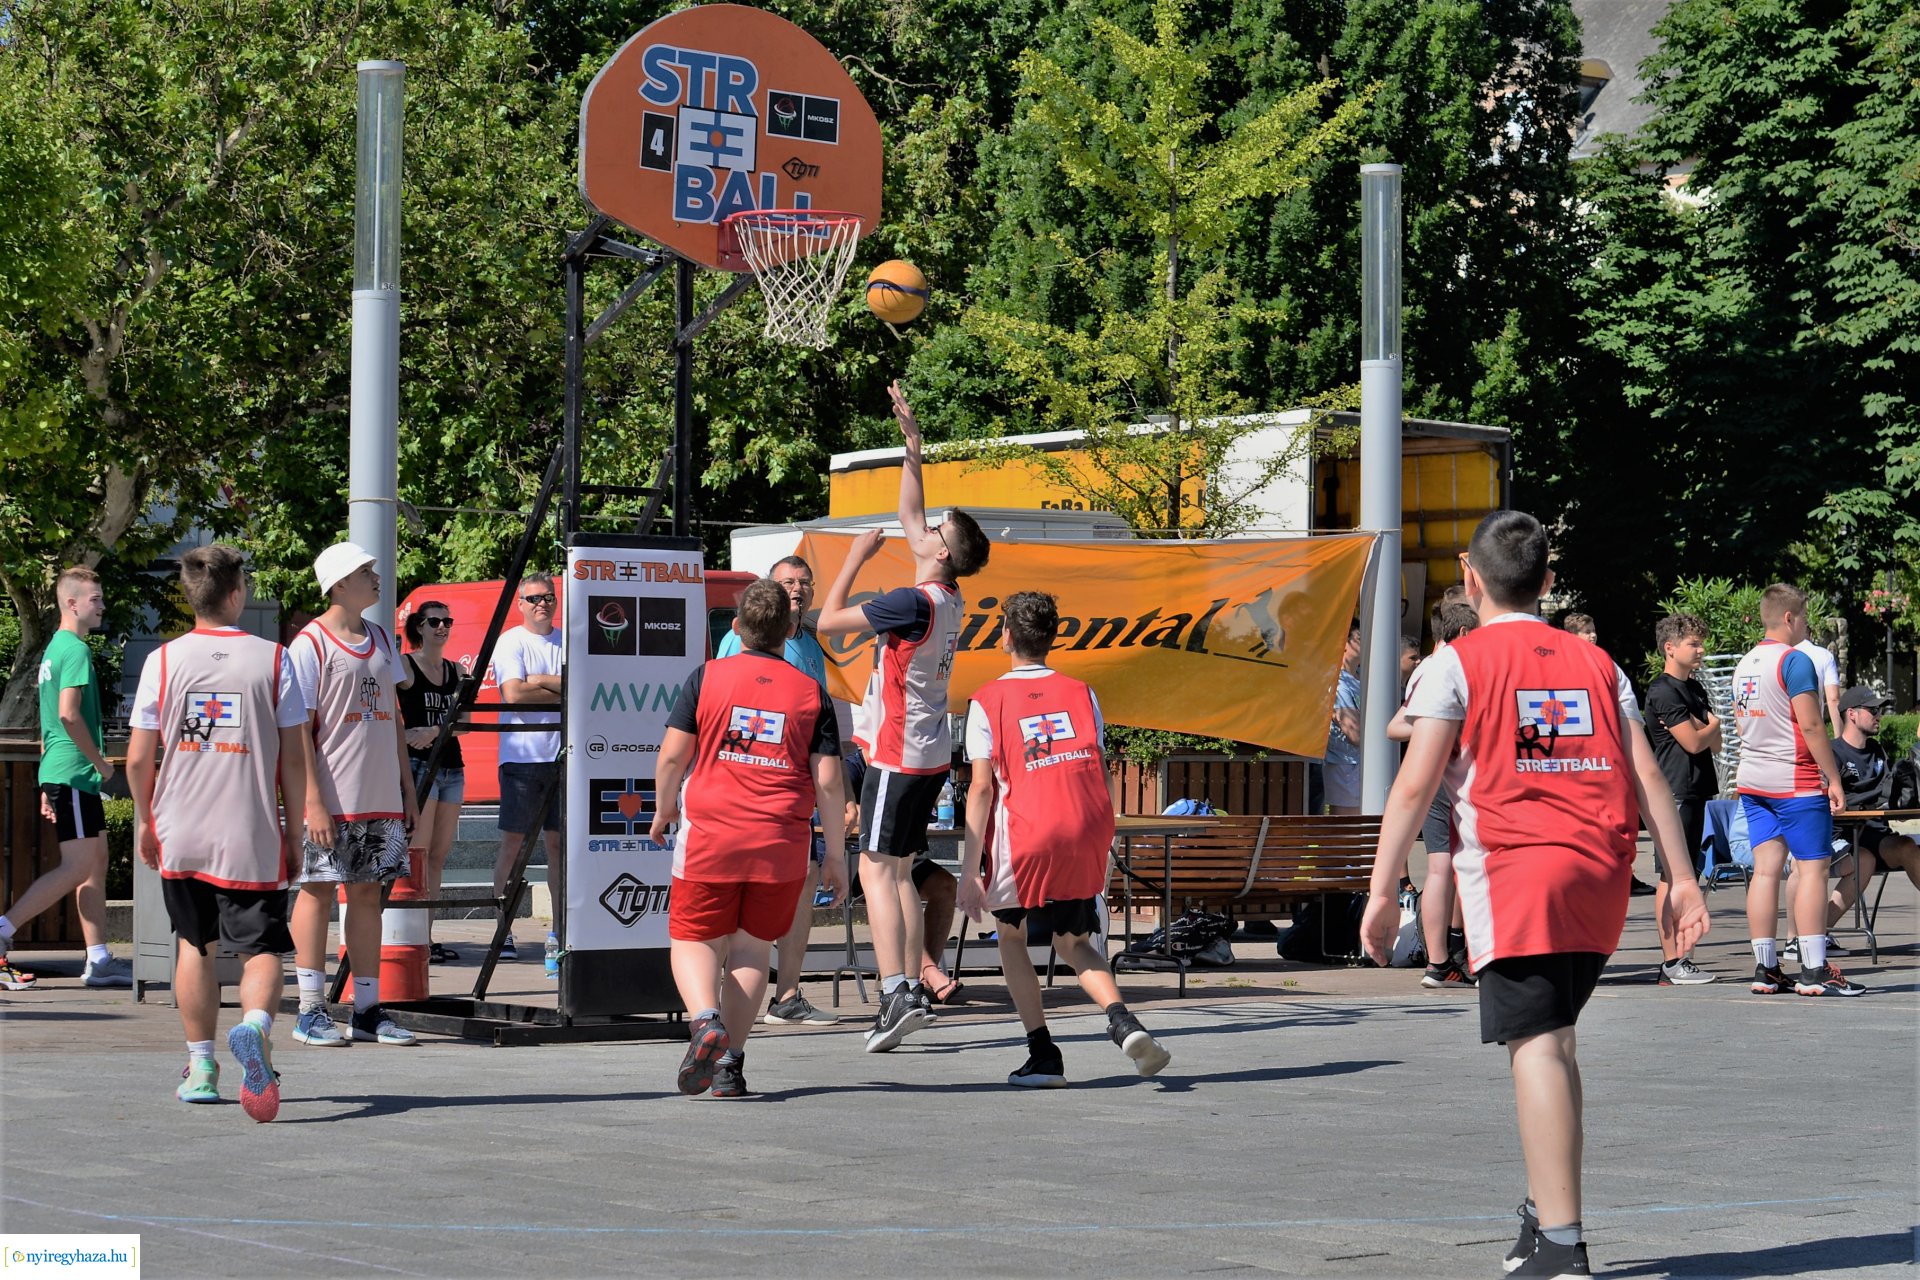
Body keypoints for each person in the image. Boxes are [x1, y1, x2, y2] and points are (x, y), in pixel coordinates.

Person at [1360, 510, 1709, 1279]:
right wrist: (1682, 879)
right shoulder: (1598, 662)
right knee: (1555, 1039)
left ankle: (1562, 1244)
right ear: (1548, 582)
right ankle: (1539, 1211)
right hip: (1600, 873)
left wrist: (1385, 890)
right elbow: (1648, 776)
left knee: (1540, 1047)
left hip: (1521, 873)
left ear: (1468, 575)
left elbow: (1414, 785)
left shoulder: (1458, 663)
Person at [815, 379, 990, 1053]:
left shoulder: (910, 601)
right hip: (931, 753)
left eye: (936, 530)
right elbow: (912, 514)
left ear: (941, 551)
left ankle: (894, 991)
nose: (924, 527)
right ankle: (914, 983)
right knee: (904, 865)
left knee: (875, 870)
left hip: (895, 750)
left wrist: (853, 560)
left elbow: (830, 622)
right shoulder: (946, 595)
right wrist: (912, 448)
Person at [127, 544, 310, 1120]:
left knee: (192, 942)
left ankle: (201, 1066)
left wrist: (146, 819)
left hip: (181, 826)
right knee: (261, 950)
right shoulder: (276, 659)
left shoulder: (162, 661)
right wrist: (295, 831)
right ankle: (255, 1027)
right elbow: (295, 760)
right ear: (238, 593)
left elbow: (137, 760)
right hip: (247, 829)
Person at [958, 591, 1169, 1087]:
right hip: (1086, 823)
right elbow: (1094, 759)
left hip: (1028, 829)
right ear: (1054, 638)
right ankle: (1122, 1020)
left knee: (1010, 934)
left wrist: (970, 871)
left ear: (1005, 634)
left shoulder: (987, 699)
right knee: (1074, 939)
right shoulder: (1082, 692)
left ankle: (1043, 1052)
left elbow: (983, 787)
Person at [649, 578, 850, 1098]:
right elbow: (828, 780)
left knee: (693, 937)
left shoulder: (706, 677)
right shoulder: (811, 694)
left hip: (712, 832)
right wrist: (833, 853)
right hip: (781, 841)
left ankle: (704, 1020)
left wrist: (664, 807)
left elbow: (672, 756)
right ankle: (729, 1066)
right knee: (753, 948)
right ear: (789, 629)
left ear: (736, 628)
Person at [287, 542, 419, 1047]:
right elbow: (298, 728)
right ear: (340, 583)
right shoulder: (311, 644)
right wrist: (311, 800)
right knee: (318, 891)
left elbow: (395, 720)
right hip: (332, 795)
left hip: (380, 793)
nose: (376, 575)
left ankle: (366, 1009)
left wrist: (407, 788)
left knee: (367, 896)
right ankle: (310, 1008)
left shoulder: (382, 638)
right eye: (366, 570)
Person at [716, 556, 844, 1026]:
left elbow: (823, 733)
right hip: (747, 789)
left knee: (804, 884)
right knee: (742, 892)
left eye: (805, 582)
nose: (798, 589)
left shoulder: (810, 645)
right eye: (788, 582)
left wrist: (838, 795)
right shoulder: (739, 641)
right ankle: (725, 1000)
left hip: (800, 791)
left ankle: (787, 994)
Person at [0, 566, 133, 989]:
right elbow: (67, 714)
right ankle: (3, 929)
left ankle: (98, 960)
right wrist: (100, 764)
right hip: (76, 772)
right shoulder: (74, 649)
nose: (102, 606)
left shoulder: (55, 649)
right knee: (78, 868)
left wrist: (45, 780)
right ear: (72, 603)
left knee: (95, 863)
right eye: (95, 599)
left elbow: (47, 722)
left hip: (64, 773)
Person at [1730, 583, 1860, 997]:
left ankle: (1766, 968)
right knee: (1813, 869)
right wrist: (1834, 778)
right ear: (1789, 618)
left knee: (1765, 870)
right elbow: (1810, 725)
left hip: (1753, 779)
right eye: (1804, 617)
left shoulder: (1744, 663)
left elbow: (1740, 725)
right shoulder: (1795, 661)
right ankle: (1814, 969)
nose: (1807, 625)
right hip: (1796, 780)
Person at [1388, 598, 1479, 987]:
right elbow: (1398, 726)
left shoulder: (1427, 668)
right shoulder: (1446, 667)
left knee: (1452, 868)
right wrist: (1445, 728)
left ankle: (1446, 957)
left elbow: (1399, 724)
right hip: (1451, 776)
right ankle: (1442, 958)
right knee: (1450, 867)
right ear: (1461, 634)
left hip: (1437, 774)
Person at [1796, 687, 1920, 947]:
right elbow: (1827, 799)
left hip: (1876, 833)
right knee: (1864, 860)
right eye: (1873, 710)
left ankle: (1815, 935)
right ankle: (1813, 935)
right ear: (1851, 714)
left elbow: (1891, 792)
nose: (1879, 715)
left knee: (1908, 846)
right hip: (1843, 836)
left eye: (1880, 710)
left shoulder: (1877, 751)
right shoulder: (1833, 752)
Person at [1642, 613, 1722, 985]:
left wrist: (1708, 729)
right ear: (1670, 648)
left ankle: (1680, 959)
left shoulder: (1694, 689)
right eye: (1694, 643)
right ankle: (1671, 961)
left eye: (1701, 642)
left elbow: (1714, 741)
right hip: (1673, 792)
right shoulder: (1663, 691)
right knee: (1669, 877)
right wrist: (1711, 727)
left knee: (1685, 873)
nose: (1701, 649)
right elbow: (1694, 740)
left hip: (1696, 790)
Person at [491, 571, 565, 960]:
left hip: (562, 757)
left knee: (558, 847)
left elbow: (582, 687)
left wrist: (539, 679)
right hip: (521, 760)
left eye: (548, 597)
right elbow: (514, 694)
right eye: (534, 598)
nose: (542, 604)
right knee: (514, 848)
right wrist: (557, 684)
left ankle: (559, 933)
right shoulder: (510, 642)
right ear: (520, 604)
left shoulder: (568, 638)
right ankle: (503, 931)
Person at [397, 600, 468, 964]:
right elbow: (386, 709)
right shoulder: (406, 666)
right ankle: (408, 937)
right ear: (419, 627)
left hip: (451, 766)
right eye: (434, 621)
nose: (442, 627)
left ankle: (425, 938)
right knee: (418, 854)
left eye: (447, 620)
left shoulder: (456, 670)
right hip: (417, 766)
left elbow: (466, 719)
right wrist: (407, 734)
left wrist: (435, 730)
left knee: (439, 856)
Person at [1321, 619, 1363, 815]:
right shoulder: (1337, 680)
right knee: (1349, 832)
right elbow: (1354, 733)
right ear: (1344, 643)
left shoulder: (1361, 677)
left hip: (1360, 764)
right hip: (1345, 766)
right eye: (1360, 638)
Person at [1795, 630, 1843, 734]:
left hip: (1784, 735)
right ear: (1811, 635)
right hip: (1814, 732)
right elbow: (1833, 699)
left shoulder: (1779, 654)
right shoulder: (1824, 655)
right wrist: (1839, 738)